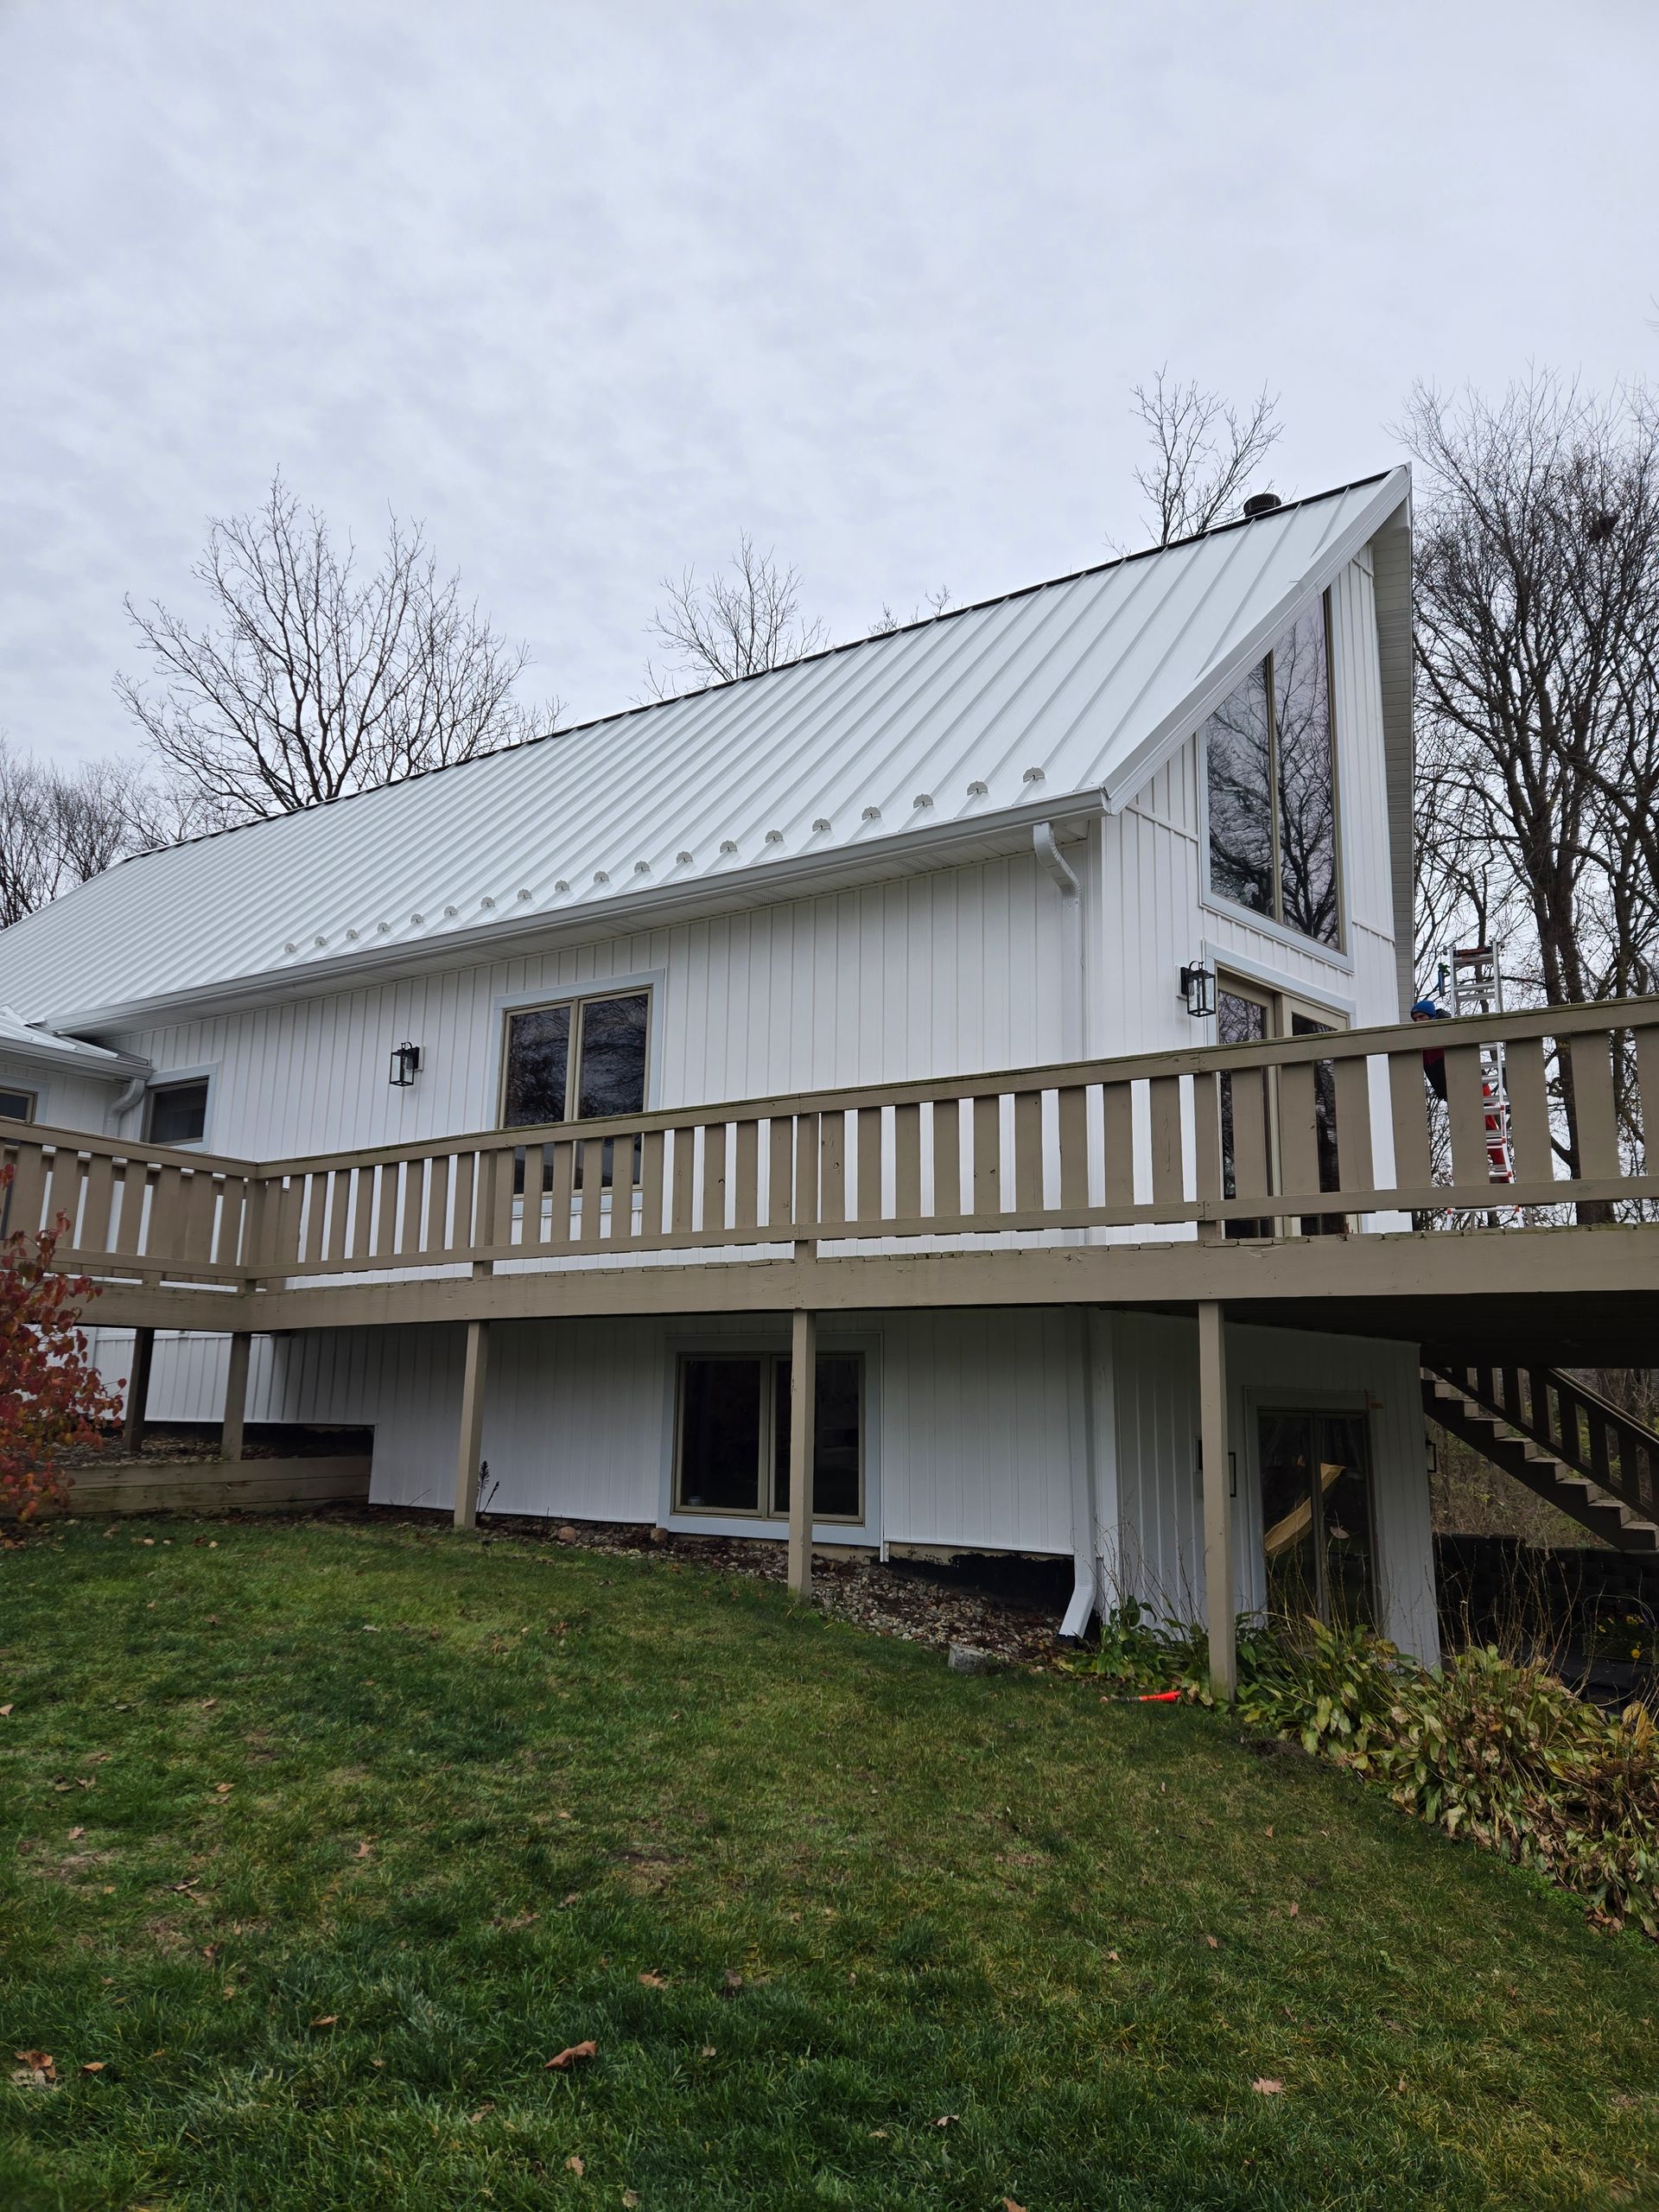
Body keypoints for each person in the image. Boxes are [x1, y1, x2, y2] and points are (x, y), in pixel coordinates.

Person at [1411, 996, 1449, 1101]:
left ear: (1431, 1016)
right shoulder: (1421, 1040)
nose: (1418, 1021)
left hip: (1471, 1082)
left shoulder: (1446, 1028)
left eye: (1421, 1016)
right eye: (1415, 1019)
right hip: (1448, 1091)